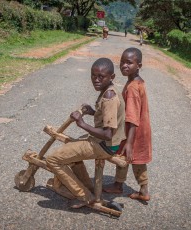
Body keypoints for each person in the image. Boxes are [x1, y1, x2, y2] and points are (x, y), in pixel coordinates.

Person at [46, 57, 126, 208]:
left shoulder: (109, 96)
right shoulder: (109, 91)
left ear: (112, 77)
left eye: (101, 77)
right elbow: (108, 119)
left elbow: (107, 134)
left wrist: (82, 123)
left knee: (52, 160)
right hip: (106, 143)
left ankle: (84, 196)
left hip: (104, 144)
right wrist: (91, 112)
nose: (96, 80)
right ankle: (87, 187)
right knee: (72, 146)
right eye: (93, 76)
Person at [103, 47, 152, 202]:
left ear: (139, 65)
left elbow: (131, 117)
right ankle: (138, 189)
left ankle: (122, 186)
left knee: (126, 156)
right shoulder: (137, 82)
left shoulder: (132, 88)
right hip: (140, 129)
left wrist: (129, 142)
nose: (124, 65)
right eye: (122, 62)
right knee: (137, 160)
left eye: (129, 62)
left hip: (133, 131)